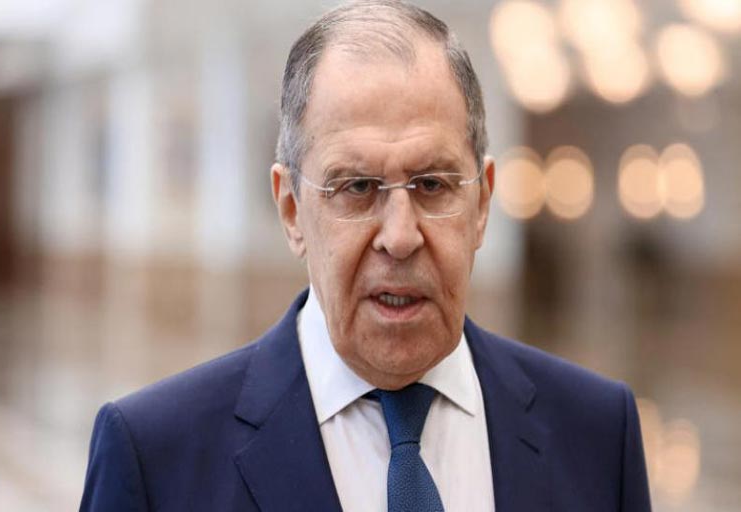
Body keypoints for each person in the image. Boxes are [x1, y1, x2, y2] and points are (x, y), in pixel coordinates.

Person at [80, 1, 652, 511]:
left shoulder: (600, 433)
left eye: (432, 185)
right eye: (356, 187)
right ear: (291, 210)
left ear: (481, 204)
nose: (400, 238)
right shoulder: (155, 458)